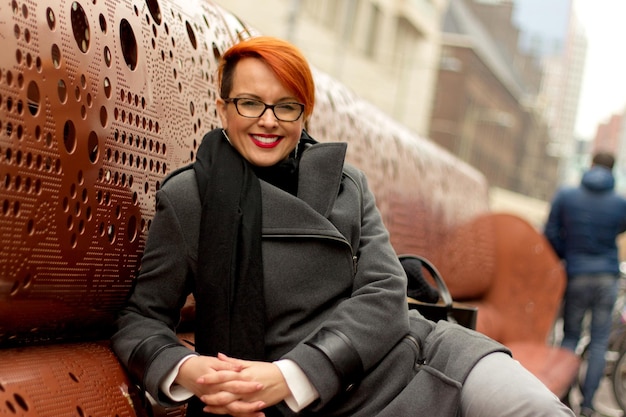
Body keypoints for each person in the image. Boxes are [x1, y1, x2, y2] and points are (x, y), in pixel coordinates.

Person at [112, 36, 573, 417]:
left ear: (304, 112)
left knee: (539, 410)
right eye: (250, 103)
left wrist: (293, 375)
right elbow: (141, 319)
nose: (268, 121)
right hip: (323, 407)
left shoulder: (344, 182)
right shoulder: (190, 198)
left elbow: (384, 292)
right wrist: (188, 370)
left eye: (286, 106)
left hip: (418, 359)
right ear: (223, 108)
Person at [544, 151, 626, 417]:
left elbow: (550, 232)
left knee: (570, 336)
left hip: (577, 275)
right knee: (600, 341)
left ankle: (560, 396)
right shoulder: (619, 202)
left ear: (590, 165)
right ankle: (588, 405)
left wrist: (567, 255)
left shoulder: (567, 196)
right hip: (607, 277)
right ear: (612, 169)